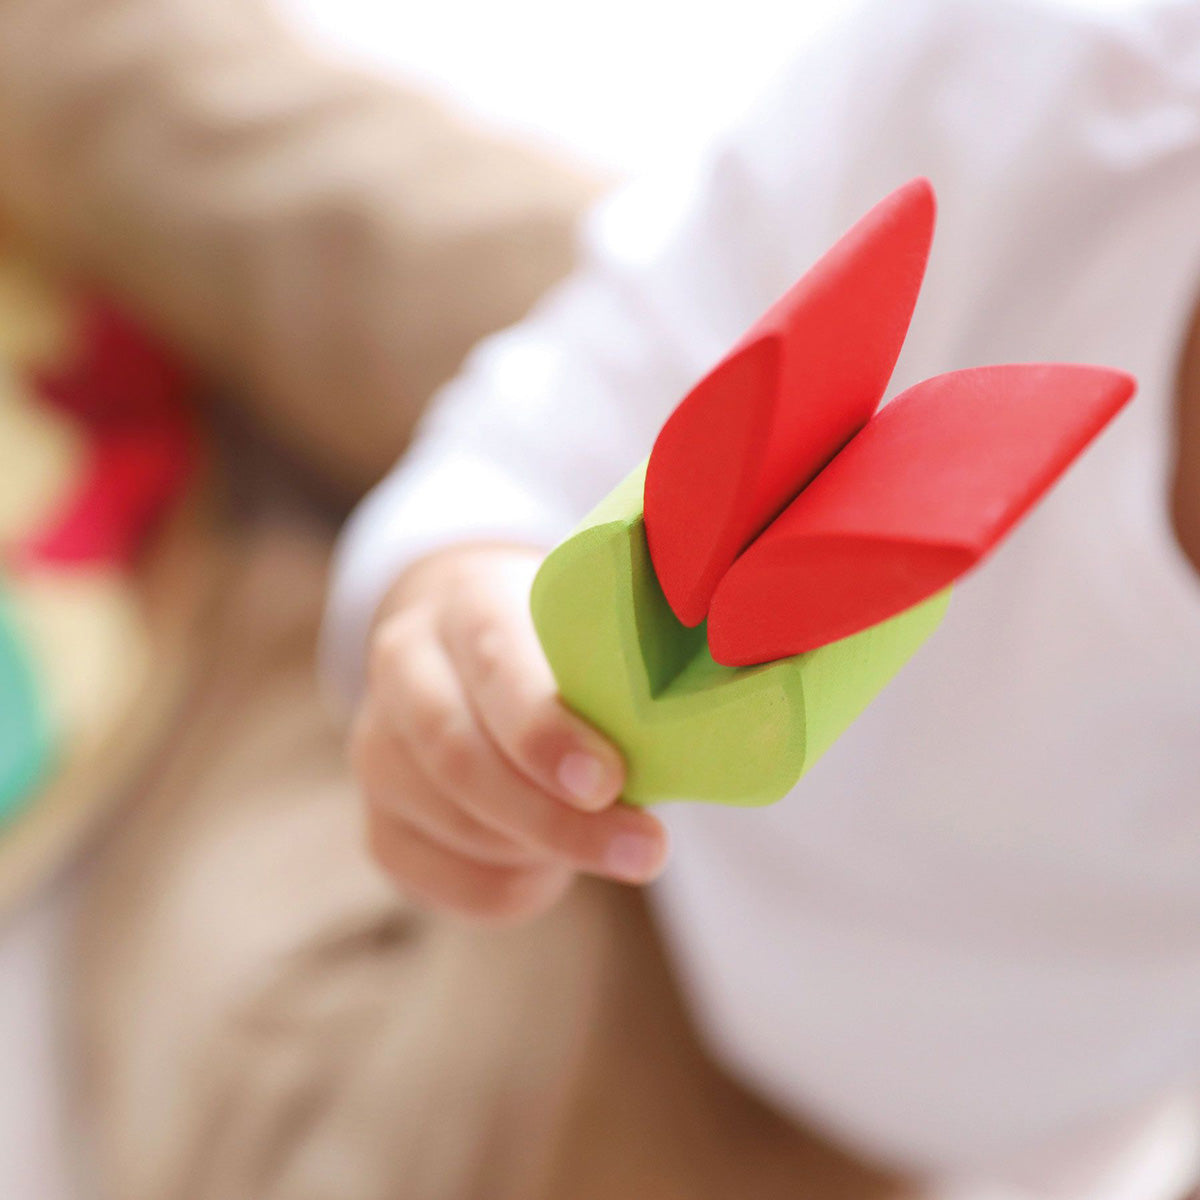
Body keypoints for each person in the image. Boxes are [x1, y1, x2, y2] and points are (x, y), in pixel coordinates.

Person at [78, 0, 1200, 1198]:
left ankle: (259, 555)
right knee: (270, 179)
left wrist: (412, 630)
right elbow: (576, 395)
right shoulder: (1043, 76)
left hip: (787, 1068)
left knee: (318, 1116)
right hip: (708, 436)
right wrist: (454, 560)